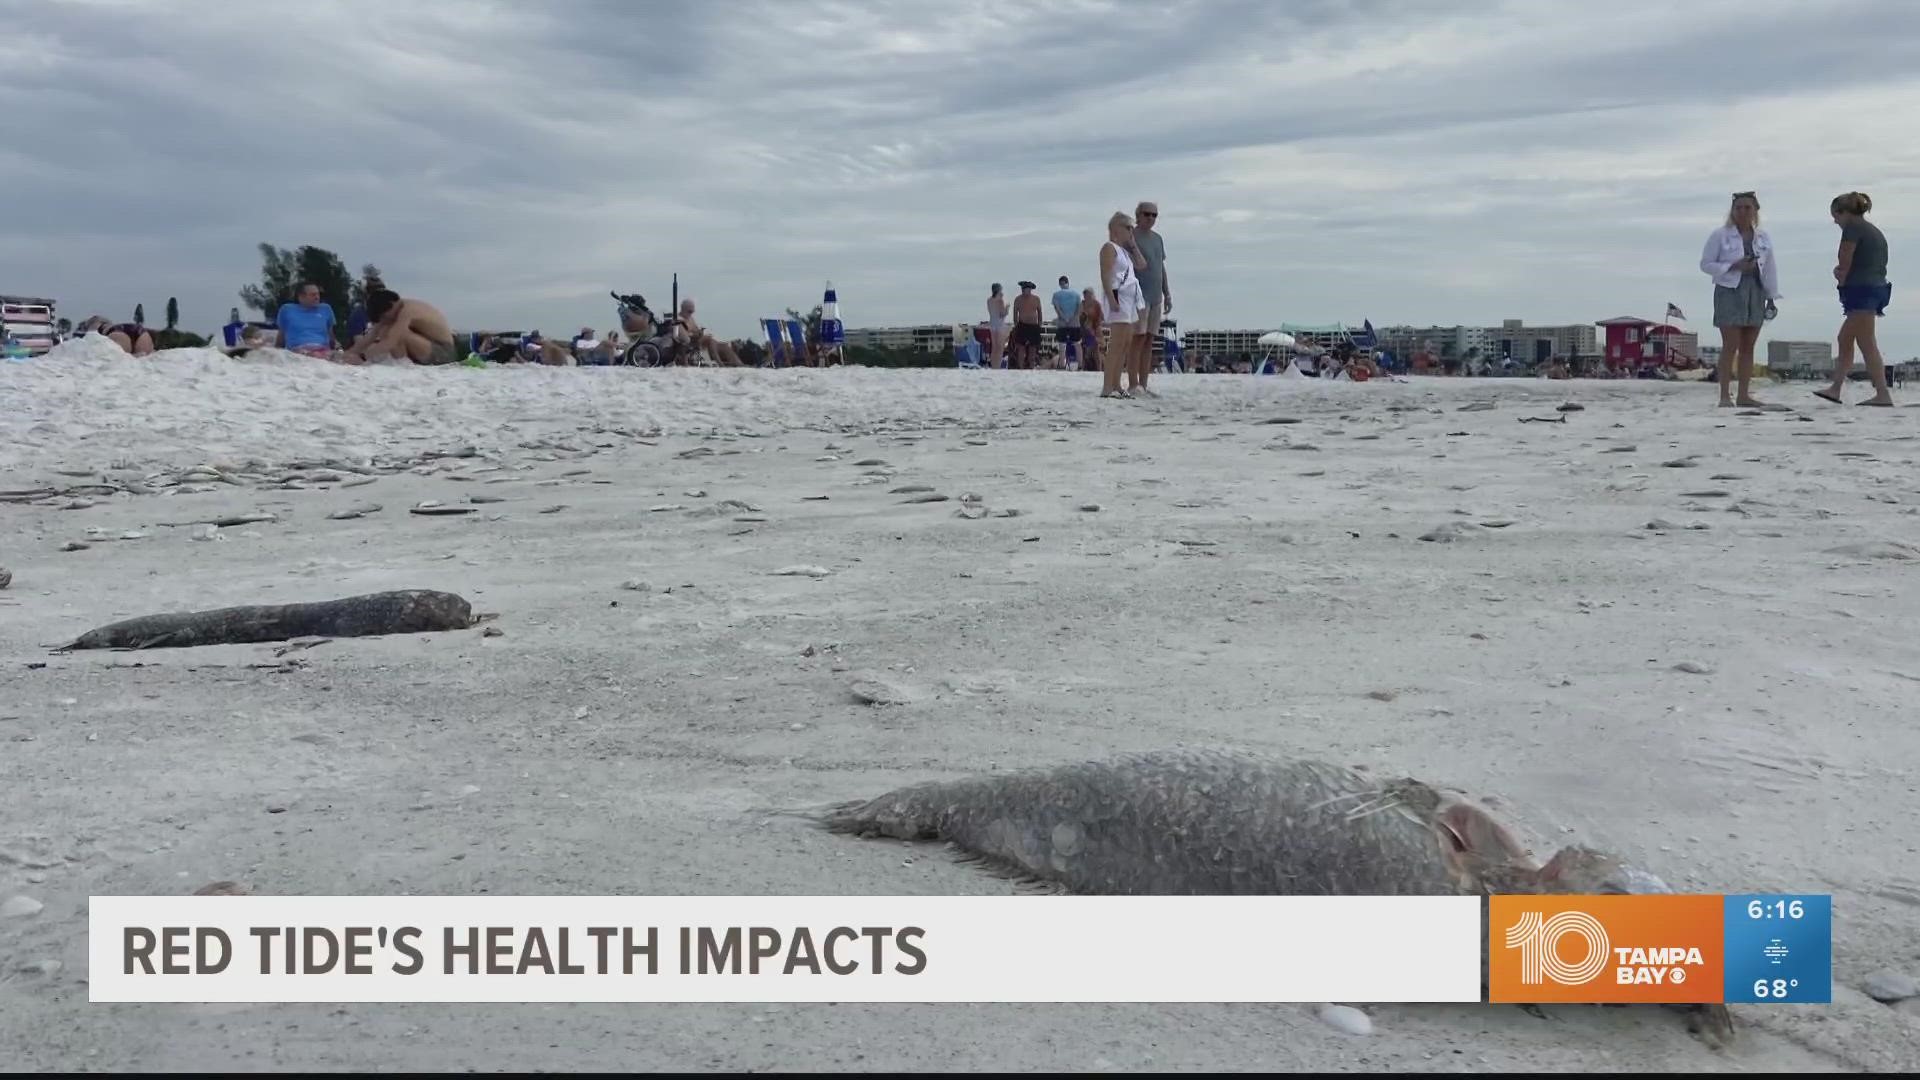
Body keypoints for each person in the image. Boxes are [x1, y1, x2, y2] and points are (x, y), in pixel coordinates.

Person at [1699, 191, 1780, 408]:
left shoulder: (1763, 237)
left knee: (1748, 346)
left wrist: (1771, 296)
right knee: (1730, 345)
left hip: (1756, 290)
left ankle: (1744, 394)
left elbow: (1770, 268)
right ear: (1732, 211)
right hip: (1730, 290)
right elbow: (1706, 264)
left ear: (1755, 211)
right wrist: (1732, 266)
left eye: (1748, 208)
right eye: (1739, 208)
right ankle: (1725, 395)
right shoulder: (1720, 235)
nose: (1743, 212)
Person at [1817, 192, 1894, 407]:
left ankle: (1878, 394)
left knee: (1857, 341)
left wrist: (1840, 277)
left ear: (1844, 213)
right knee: (1855, 340)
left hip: (1862, 291)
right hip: (1876, 289)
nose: (1835, 221)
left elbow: (1845, 259)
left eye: (1836, 216)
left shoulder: (1852, 229)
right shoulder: (1873, 231)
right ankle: (1839, 388)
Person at [1098, 210, 1146, 399]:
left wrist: (1133, 245)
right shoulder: (1109, 248)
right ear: (1116, 228)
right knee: (1117, 343)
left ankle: (1117, 384)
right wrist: (1111, 298)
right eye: (1127, 227)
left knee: (1126, 342)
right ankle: (1107, 387)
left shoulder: (1125, 252)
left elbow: (1142, 265)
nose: (1130, 231)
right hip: (1118, 298)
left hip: (1129, 301)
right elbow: (1106, 274)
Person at [341, 289, 458, 365]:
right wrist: (350, 353)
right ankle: (400, 362)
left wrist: (362, 358)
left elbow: (391, 341)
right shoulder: (394, 310)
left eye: (384, 316)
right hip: (425, 343)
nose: (385, 320)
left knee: (397, 334)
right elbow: (373, 333)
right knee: (385, 329)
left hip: (443, 352)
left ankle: (402, 364)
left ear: (392, 305)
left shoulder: (408, 311)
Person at [1130, 200, 1172, 398]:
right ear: (1138, 215)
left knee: (1149, 340)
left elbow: (1160, 267)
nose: (1151, 218)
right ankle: (1133, 383)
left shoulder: (1158, 239)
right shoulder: (1131, 236)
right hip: (1138, 295)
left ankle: (1144, 384)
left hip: (1156, 295)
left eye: (1154, 215)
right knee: (1137, 339)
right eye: (1147, 214)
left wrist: (1167, 293)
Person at [673, 299, 745, 366]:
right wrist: (695, 334)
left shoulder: (690, 318)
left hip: (697, 340)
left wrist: (699, 332)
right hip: (690, 342)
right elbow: (683, 336)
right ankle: (720, 363)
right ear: (683, 309)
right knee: (710, 340)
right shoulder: (679, 320)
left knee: (723, 345)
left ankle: (738, 363)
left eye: (692, 311)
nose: (691, 313)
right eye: (689, 311)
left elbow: (696, 329)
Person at [275, 282, 338, 358]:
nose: (317, 297)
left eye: (318, 294)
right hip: (297, 351)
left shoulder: (325, 309)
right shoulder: (287, 310)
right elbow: (281, 337)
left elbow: (331, 337)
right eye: (313, 295)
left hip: (322, 350)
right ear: (301, 297)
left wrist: (338, 350)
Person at [1009, 281, 1044, 369]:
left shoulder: (1036, 299)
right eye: (1023, 289)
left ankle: (1032, 366)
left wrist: (1039, 323)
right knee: (1021, 348)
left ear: (1030, 290)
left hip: (1033, 326)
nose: (1025, 291)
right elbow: (1015, 313)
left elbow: (1039, 312)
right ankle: (1021, 367)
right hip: (1022, 326)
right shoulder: (1018, 299)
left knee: (1033, 348)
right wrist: (1016, 325)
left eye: (1027, 289)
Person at [79, 315, 154, 355]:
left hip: (116, 333)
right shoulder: (108, 322)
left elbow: (92, 337)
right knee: (144, 360)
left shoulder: (93, 325)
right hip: (139, 330)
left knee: (121, 361)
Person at [1051, 275, 1080, 367]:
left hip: (1062, 323)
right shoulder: (1076, 294)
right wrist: (1072, 318)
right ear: (1068, 282)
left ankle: (1062, 365)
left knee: (1062, 345)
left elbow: (1057, 309)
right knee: (1077, 344)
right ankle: (1080, 365)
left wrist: (1064, 318)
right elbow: (1078, 309)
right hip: (1074, 323)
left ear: (1060, 284)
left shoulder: (1056, 295)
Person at [1077, 286, 1103, 373]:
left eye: (1087, 294)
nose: (1085, 296)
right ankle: (1083, 367)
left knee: (1096, 349)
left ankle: (1099, 368)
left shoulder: (1096, 304)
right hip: (1085, 329)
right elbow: (1079, 315)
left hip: (1094, 329)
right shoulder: (1082, 303)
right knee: (1084, 349)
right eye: (1084, 294)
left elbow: (1101, 317)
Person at [985, 284, 1009, 370]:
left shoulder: (989, 300)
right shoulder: (1000, 301)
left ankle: (993, 366)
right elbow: (1002, 314)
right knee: (1000, 347)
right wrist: (1007, 307)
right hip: (999, 324)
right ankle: (997, 366)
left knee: (994, 347)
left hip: (992, 324)